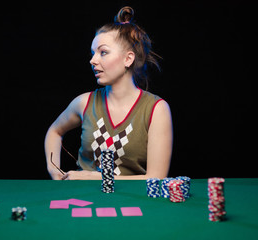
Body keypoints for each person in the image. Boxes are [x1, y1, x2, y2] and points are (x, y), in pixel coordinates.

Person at [44, 6, 173, 180]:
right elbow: (54, 131)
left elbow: (156, 178)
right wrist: (54, 171)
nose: (93, 60)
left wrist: (91, 177)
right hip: (82, 200)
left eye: (103, 52)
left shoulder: (157, 109)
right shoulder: (83, 103)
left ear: (128, 59)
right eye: (93, 53)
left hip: (133, 203)